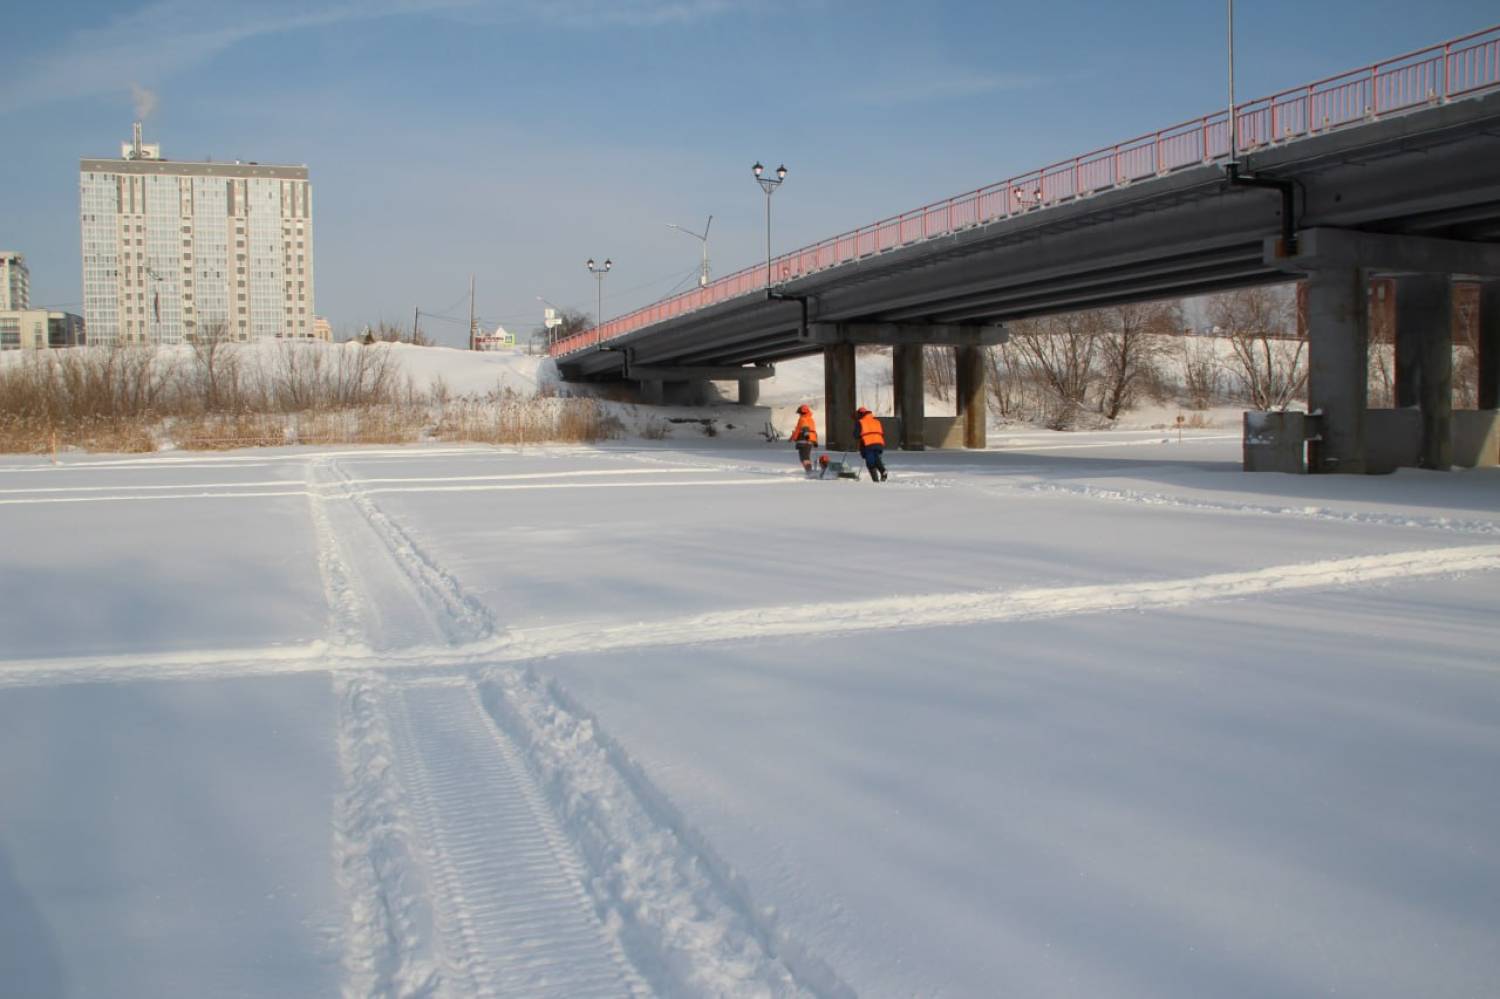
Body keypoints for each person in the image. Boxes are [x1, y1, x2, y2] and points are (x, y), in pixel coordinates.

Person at [854, 406, 887, 482]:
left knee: (870, 462)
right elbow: (881, 433)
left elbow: (856, 434)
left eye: (858, 414)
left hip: (868, 443)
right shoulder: (877, 421)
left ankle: (876, 481)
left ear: (860, 414)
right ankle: (883, 471)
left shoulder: (860, 422)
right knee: (876, 458)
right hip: (879, 443)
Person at [790, 404, 818, 474]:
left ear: (802, 412)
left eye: (799, 413)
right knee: (806, 457)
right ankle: (809, 471)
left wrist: (806, 435)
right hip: (809, 441)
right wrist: (815, 441)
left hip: (804, 440)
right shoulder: (810, 419)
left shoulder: (803, 419)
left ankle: (809, 472)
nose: (799, 414)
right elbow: (813, 431)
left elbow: (805, 427)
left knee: (804, 458)